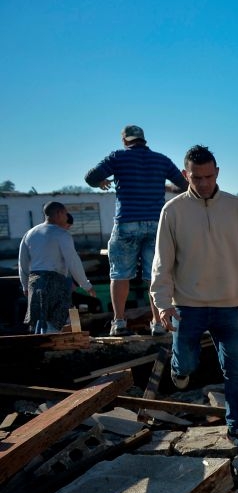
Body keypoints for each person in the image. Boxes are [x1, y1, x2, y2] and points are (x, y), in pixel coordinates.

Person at [150, 145, 238, 456]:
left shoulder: (236, 207)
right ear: (185, 175)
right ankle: (180, 368)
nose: (204, 183)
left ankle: (237, 429)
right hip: (188, 307)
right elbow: (161, 262)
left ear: (217, 172)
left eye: (208, 176)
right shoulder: (173, 211)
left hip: (228, 307)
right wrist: (163, 303)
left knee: (234, 371)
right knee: (188, 364)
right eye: (197, 177)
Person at [85, 125, 187, 336]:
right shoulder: (162, 160)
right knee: (154, 276)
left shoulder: (118, 157)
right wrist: (165, 187)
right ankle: (158, 324)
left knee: (120, 274)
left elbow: (90, 177)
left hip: (127, 222)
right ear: (144, 140)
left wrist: (101, 181)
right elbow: (184, 185)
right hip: (156, 224)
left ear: (125, 141)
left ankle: (119, 322)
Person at [18, 201, 95, 333]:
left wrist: (25, 285)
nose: (67, 217)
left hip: (35, 282)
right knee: (53, 322)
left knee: (39, 320)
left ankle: (41, 348)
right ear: (59, 213)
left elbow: (22, 262)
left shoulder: (30, 233)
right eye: (65, 214)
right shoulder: (62, 234)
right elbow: (73, 261)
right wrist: (86, 285)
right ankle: (52, 349)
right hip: (55, 282)